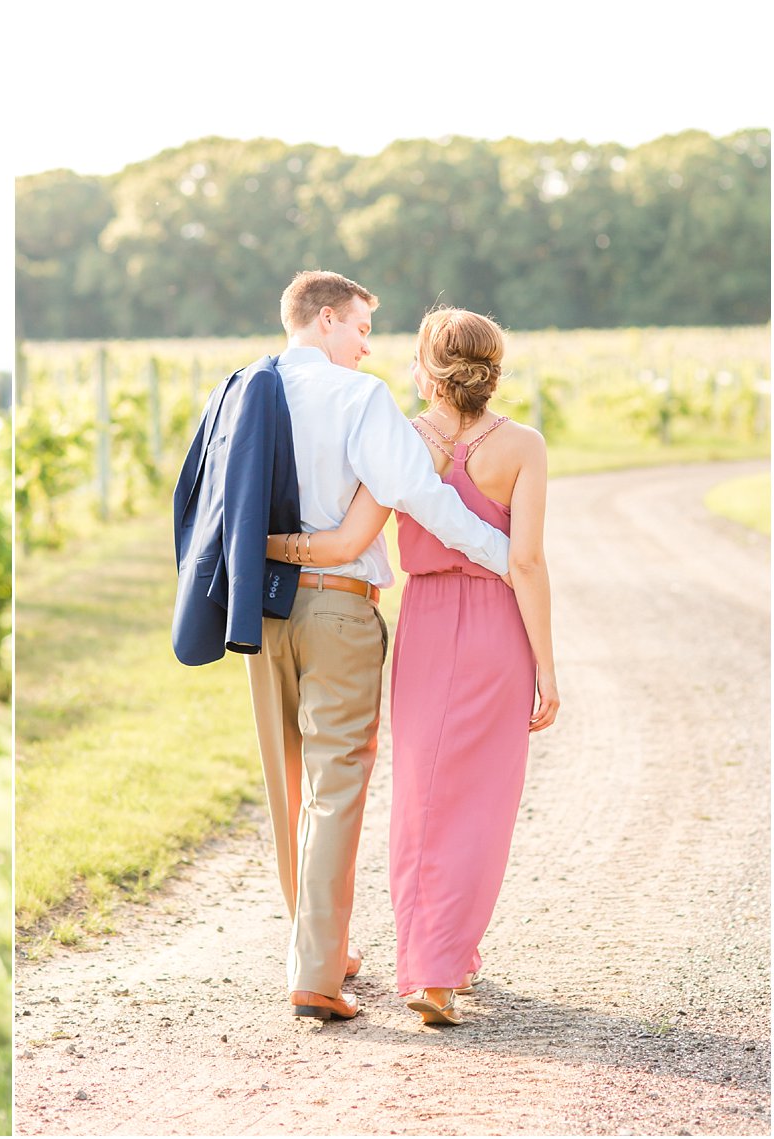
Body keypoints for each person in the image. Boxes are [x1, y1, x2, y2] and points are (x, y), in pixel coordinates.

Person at [179, 270, 515, 1022]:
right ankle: (316, 971)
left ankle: (316, 947)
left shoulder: (238, 390)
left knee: (288, 786)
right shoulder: (357, 398)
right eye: (362, 327)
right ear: (327, 319)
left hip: (257, 613)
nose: (368, 345)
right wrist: (504, 553)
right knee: (335, 789)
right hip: (338, 612)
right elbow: (421, 495)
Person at [268, 305, 558, 1026]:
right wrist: (548, 669)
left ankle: (427, 967)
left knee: (422, 798)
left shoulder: (404, 438)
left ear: (427, 369)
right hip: (498, 631)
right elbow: (524, 561)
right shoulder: (523, 446)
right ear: (493, 370)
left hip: (427, 625)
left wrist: (272, 547)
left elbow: (353, 537)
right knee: (483, 804)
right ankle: (447, 960)